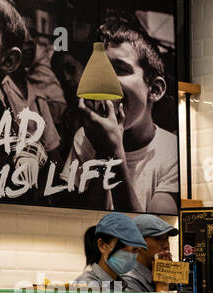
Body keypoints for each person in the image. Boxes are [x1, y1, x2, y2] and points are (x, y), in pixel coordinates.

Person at [65, 17, 177, 213]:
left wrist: (113, 154)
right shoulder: (85, 139)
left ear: (155, 89)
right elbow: (85, 223)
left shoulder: (173, 152)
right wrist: (102, 152)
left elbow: (151, 236)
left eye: (120, 69)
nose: (105, 80)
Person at [121, 214, 178, 292]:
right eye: (157, 239)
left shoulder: (162, 275)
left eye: (166, 239)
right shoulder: (127, 280)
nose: (166, 245)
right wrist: (162, 286)